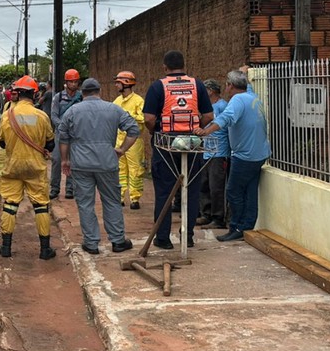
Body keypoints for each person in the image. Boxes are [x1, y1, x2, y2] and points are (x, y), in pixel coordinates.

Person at [59, 78, 140, 254]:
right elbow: (134, 129)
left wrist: (65, 160)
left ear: (82, 93)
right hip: (107, 163)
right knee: (112, 201)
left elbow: (63, 137)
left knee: (85, 204)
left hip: (81, 164)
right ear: (99, 91)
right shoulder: (114, 109)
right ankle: (118, 241)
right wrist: (122, 149)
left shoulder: (72, 111)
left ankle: (91, 243)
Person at [142, 50, 214, 250]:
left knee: (164, 191)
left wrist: (155, 130)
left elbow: (148, 118)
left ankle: (163, 238)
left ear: (165, 67)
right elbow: (209, 116)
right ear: (184, 65)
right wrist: (195, 127)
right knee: (191, 190)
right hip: (192, 144)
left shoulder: (158, 87)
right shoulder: (197, 85)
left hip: (166, 145)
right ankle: (187, 236)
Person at [195, 67, 271, 242]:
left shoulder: (237, 100)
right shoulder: (252, 96)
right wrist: (243, 72)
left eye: (227, 85)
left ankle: (236, 226)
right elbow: (246, 86)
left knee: (233, 191)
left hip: (244, 155)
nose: (226, 89)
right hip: (259, 153)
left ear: (230, 85)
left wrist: (206, 131)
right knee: (250, 191)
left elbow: (225, 118)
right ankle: (247, 226)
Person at [0, 76, 57, 259]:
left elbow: (3, 144)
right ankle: (45, 250)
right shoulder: (42, 116)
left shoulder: (7, 115)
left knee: (10, 204)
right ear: (35, 94)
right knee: (41, 205)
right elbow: (50, 144)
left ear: (17, 93)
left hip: (13, 167)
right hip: (35, 167)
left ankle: (6, 248)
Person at [195, 79, 229, 229]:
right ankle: (206, 214)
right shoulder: (206, 107)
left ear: (211, 91)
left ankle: (218, 217)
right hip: (206, 151)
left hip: (219, 151)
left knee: (216, 186)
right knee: (204, 184)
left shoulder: (223, 106)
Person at [112, 71, 146, 209]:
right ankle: (119, 196)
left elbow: (143, 118)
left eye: (118, 82)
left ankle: (134, 198)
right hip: (119, 139)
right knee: (119, 170)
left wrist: (128, 115)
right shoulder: (117, 101)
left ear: (126, 83)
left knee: (135, 170)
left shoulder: (138, 101)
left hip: (134, 141)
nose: (116, 85)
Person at [50, 69, 82, 200]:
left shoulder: (81, 97)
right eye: (71, 82)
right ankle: (54, 188)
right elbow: (53, 116)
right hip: (61, 134)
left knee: (73, 161)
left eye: (75, 82)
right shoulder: (58, 97)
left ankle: (70, 189)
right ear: (66, 82)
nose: (73, 84)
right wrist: (63, 127)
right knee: (57, 160)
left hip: (75, 134)